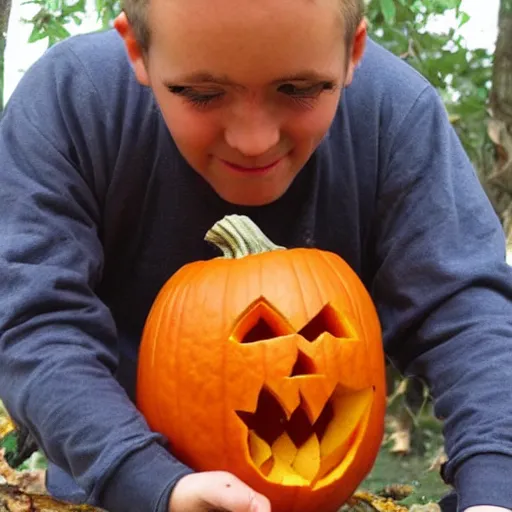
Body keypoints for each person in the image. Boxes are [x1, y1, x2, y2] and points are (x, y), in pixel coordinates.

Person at [1, 0, 512, 510]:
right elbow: (34, 318)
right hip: (110, 489)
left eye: (300, 90)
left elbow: (463, 309)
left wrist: (495, 487)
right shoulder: (74, 99)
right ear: (136, 48)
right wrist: (147, 480)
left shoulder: (394, 112)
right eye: (201, 94)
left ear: (352, 51)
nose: (254, 142)